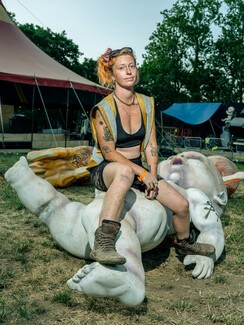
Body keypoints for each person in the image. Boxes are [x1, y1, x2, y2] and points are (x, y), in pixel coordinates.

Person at [88, 47, 215, 265]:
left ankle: (184, 243)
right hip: (108, 167)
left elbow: (151, 144)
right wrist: (143, 173)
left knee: (182, 205)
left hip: (139, 168)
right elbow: (109, 152)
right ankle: (103, 240)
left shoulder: (147, 103)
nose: (128, 72)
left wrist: (153, 175)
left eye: (132, 66)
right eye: (121, 68)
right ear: (112, 75)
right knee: (125, 172)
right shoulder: (103, 109)